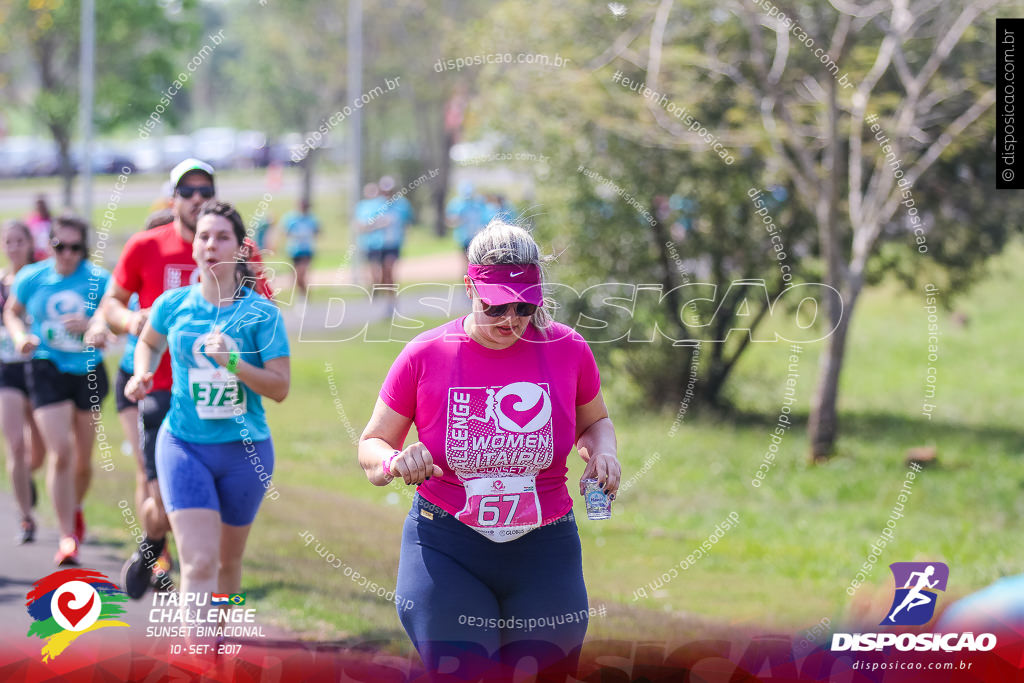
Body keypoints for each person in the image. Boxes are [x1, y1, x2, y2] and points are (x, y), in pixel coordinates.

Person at [358, 221, 621, 679]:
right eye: (496, 305)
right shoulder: (426, 354)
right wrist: (394, 461)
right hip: (447, 547)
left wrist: (604, 452)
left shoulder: (567, 348)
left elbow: (595, 422)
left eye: (524, 305)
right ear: (469, 286)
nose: (510, 319)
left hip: (545, 548)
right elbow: (372, 444)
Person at [100, 159, 274, 598]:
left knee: (198, 531)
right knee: (156, 490)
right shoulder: (145, 246)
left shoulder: (237, 248)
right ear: (173, 197)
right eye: (187, 190)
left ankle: (168, 552)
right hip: (155, 386)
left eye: (205, 190)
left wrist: (242, 360)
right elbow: (112, 304)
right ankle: (160, 546)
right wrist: (135, 323)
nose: (197, 198)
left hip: (218, 398)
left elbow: (262, 316)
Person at [124, 200, 289, 621]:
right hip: (184, 445)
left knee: (227, 565)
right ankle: (199, 663)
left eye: (222, 237)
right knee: (197, 563)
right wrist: (142, 373)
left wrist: (233, 362)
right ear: (194, 247)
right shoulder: (172, 304)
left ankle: (224, 643)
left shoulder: (261, 314)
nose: (211, 244)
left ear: (239, 249)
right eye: (203, 236)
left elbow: (280, 388)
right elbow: (148, 341)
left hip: (244, 451)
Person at [2, 216, 111, 565]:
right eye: (60, 246)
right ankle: (67, 536)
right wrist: (21, 337)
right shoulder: (32, 278)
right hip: (46, 367)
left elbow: (114, 313)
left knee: (82, 461)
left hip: (89, 371)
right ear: (49, 246)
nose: (67, 255)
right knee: (60, 452)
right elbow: (12, 312)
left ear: (84, 248)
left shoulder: (98, 279)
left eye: (75, 248)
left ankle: (75, 507)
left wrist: (95, 326)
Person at [0, 220, 46, 543]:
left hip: (41, 369)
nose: (14, 247)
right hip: (7, 371)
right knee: (15, 444)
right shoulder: (1, 284)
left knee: (40, 453)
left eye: (19, 241)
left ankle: (25, 481)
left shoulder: (41, 280)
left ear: (30, 243)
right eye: (8, 242)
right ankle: (26, 517)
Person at [353, 182, 391, 291]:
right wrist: (372, 225)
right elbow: (358, 225)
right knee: (372, 267)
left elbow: (386, 221)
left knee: (385, 268)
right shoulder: (361, 206)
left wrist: (370, 226)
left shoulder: (382, 203)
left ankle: (380, 286)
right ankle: (375, 286)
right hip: (368, 243)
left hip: (383, 243)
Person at [280, 198, 320, 299]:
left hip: (306, 250)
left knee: (302, 273)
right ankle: (302, 294)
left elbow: (318, 231)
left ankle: (305, 296)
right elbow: (284, 231)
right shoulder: (291, 218)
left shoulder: (311, 219)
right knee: (295, 277)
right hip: (294, 250)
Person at [446, 182, 489, 267]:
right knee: (466, 259)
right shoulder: (456, 204)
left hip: (477, 236)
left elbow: (486, 217)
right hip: (463, 237)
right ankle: (466, 275)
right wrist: (456, 220)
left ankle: (474, 275)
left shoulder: (479, 203)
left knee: (478, 259)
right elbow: (450, 221)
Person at [25, 195, 53, 262]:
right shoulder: (30, 221)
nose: (40, 207)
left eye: (42, 204)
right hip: (35, 256)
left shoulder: (52, 220)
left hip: (49, 255)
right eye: (38, 205)